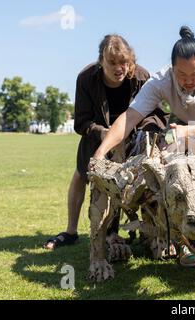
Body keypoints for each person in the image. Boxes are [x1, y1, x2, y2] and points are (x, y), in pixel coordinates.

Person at [92, 26, 195, 266]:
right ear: (172, 69)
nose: (188, 81)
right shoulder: (161, 79)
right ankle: (181, 241)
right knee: (175, 178)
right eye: (182, 75)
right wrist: (100, 153)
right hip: (184, 134)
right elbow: (130, 117)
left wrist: (192, 130)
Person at [43, 34, 164, 249]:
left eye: (124, 62)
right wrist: (105, 134)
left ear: (131, 60)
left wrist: (140, 135)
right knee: (81, 175)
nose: (120, 68)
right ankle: (72, 232)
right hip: (97, 136)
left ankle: (153, 233)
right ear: (101, 61)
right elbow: (81, 122)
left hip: (135, 137)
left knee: (148, 180)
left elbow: (156, 114)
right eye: (113, 62)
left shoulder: (143, 76)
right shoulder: (86, 78)